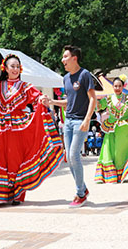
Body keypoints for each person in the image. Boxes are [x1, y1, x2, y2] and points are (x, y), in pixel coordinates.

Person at [0, 54, 64, 205]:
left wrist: (42, 99)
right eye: (13, 66)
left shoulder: (25, 86)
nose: (15, 69)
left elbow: (37, 96)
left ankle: (17, 193)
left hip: (17, 127)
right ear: (5, 68)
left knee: (14, 159)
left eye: (18, 66)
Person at [47, 45, 96, 208]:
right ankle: (83, 190)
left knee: (74, 155)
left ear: (74, 58)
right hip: (67, 122)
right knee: (69, 158)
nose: (62, 60)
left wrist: (87, 119)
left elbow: (93, 99)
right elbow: (69, 101)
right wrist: (53, 102)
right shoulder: (66, 78)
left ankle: (80, 194)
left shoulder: (85, 74)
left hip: (80, 122)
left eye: (65, 57)